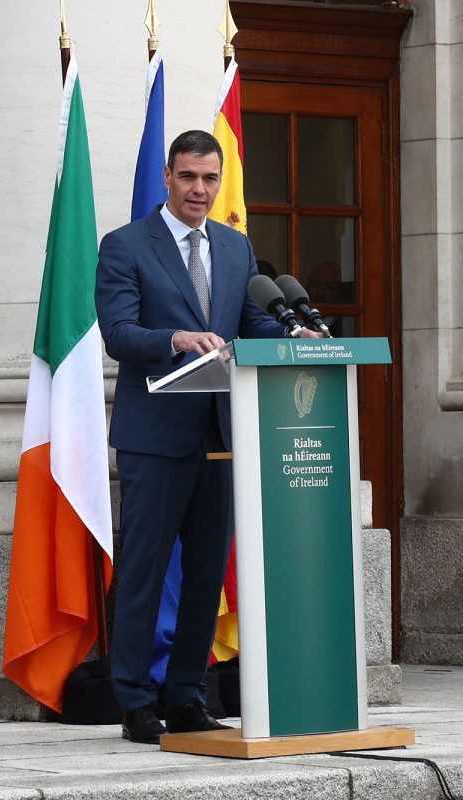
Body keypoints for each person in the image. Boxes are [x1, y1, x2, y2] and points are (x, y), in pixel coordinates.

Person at [95, 130, 320, 745]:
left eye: (210, 179)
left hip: (222, 434)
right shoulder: (124, 246)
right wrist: (175, 340)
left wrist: (290, 340)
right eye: (189, 177)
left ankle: (188, 696)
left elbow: (249, 322)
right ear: (167, 177)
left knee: (203, 574)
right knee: (144, 570)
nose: (200, 190)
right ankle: (137, 702)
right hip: (155, 436)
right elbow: (117, 333)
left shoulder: (235, 247)